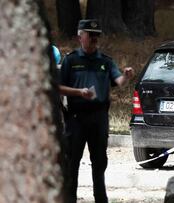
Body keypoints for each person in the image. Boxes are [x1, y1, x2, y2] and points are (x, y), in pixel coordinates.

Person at [59, 19, 134, 203]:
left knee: (99, 162)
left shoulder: (105, 61)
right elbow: (58, 87)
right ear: (80, 36)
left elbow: (119, 82)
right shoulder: (71, 60)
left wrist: (126, 76)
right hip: (76, 118)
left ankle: (100, 199)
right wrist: (78, 92)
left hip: (98, 117)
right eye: (90, 35)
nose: (94, 39)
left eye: (96, 36)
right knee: (72, 162)